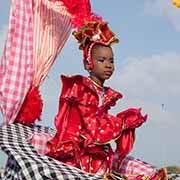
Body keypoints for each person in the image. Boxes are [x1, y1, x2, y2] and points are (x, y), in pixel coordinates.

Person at [30, 21, 168, 179]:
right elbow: (92, 128)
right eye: (102, 60)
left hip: (101, 154)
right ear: (88, 64)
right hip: (79, 155)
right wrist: (122, 123)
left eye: (111, 61)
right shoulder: (81, 90)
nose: (108, 65)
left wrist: (124, 125)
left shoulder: (104, 93)